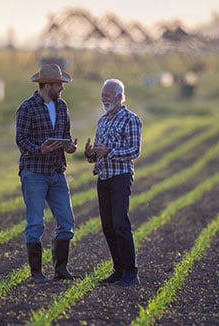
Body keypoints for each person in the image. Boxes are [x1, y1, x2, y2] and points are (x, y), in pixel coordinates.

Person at [15, 63, 79, 283]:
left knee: (67, 221)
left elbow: (66, 135)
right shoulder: (27, 108)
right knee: (35, 223)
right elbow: (21, 141)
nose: (62, 88)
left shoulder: (62, 107)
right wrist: (39, 149)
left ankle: (61, 270)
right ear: (48, 85)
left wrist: (69, 146)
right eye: (59, 84)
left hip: (56, 171)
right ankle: (37, 273)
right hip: (34, 172)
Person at [84, 79, 142, 286]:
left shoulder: (131, 119)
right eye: (102, 94)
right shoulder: (103, 120)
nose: (104, 98)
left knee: (120, 224)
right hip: (104, 177)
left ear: (119, 96)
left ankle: (131, 272)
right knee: (108, 226)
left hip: (120, 177)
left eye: (108, 95)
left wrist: (110, 152)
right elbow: (100, 153)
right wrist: (91, 155)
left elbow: (135, 151)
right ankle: (118, 270)